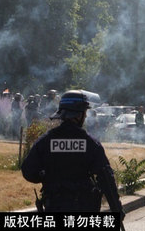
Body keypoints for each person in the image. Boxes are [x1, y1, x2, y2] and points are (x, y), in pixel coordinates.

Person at [21, 90, 125, 224]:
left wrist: (46, 176)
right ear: (79, 114)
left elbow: (28, 170)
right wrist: (117, 209)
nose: (86, 116)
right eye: (85, 113)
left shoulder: (45, 141)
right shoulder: (91, 144)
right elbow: (106, 178)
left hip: (55, 207)